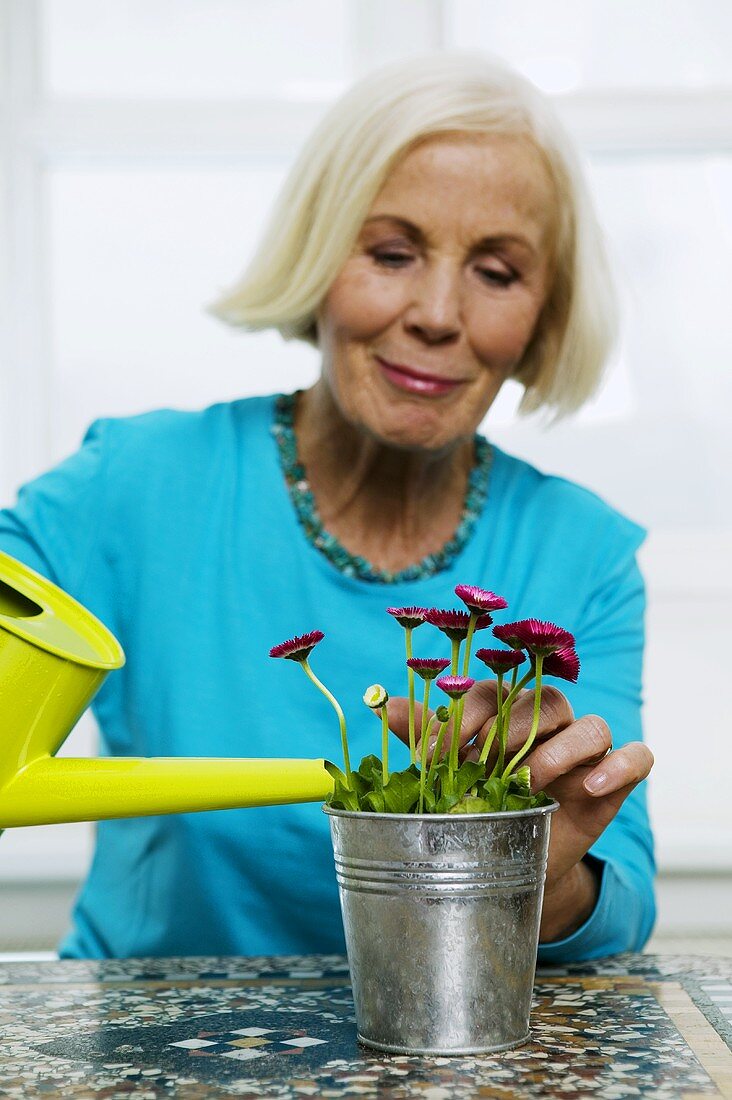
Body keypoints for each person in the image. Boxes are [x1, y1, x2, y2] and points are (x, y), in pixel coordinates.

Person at [0, 52, 655, 962]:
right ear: (317, 258)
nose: (436, 312)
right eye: (392, 254)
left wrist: (533, 874)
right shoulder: (131, 486)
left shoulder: (582, 551)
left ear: (544, 316)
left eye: (496, 273)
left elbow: (620, 911)